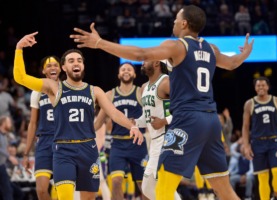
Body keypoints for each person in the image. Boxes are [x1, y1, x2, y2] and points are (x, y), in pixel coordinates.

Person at [70, 5, 254, 200]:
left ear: (184, 23)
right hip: (210, 121)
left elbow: (140, 54)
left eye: (176, 18)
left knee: (163, 189)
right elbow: (233, 63)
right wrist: (245, 53)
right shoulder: (211, 48)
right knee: (224, 190)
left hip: (186, 121)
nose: (173, 21)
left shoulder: (177, 46)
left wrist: (99, 42)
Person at [13, 32, 144, 200]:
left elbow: (113, 112)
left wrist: (132, 126)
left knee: (89, 197)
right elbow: (21, 78)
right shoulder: (54, 87)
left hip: (88, 149)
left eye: (79, 61)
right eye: (71, 61)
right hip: (63, 150)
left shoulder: (94, 90)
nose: (76, 63)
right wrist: (19, 49)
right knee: (65, 196)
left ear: (83, 66)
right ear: (64, 68)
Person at [94, 62, 148, 200]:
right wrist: (83, 131)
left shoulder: (140, 92)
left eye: (129, 69)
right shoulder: (110, 94)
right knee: (116, 181)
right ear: (118, 74)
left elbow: (150, 116)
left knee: (144, 185)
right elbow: (99, 122)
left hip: (138, 144)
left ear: (134, 74)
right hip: (118, 144)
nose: (126, 71)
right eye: (123, 69)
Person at [134, 60, 181, 200]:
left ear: (156, 63)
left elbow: (184, 108)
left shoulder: (166, 82)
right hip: (155, 141)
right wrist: (134, 122)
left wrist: (164, 121)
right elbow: (147, 117)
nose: (142, 62)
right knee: (152, 187)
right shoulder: (143, 87)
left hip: (169, 138)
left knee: (149, 186)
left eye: (146, 60)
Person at [242, 76, 277, 200]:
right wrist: (246, 146)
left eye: (263, 85)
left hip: (273, 142)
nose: (261, 87)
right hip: (257, 144)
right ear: (255, 88)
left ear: (268, 87)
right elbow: (245, 126)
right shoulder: (249, 103)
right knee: (262, 178)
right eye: (258, 85)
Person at [21, 55, 61, 200]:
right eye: (48, 66)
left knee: (64, 191)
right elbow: (32, 123)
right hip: (44, 141)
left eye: (55, 65)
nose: (52, 68)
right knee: (42, 191)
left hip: (64, 141)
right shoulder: (37, 91)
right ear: (43, 71)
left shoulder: (68, 89)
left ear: (61, 68)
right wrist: (26, 153)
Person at [0, 116, 17, 200]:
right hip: (1, 166)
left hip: (2, 165)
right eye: (9, 122)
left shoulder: (5, 135)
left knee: (13, 191)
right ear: (3, 124)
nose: (10, 125)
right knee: (8, 191)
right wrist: (9, 157)